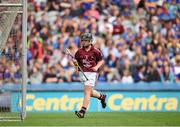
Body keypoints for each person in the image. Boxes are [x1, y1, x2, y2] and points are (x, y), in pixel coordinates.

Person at [73, 32, 107, 118]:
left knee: (87, 91)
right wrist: (75, 64)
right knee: (90, 92)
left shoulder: (96, 51)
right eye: (82, 40)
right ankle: (102, 96)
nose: (84, 42)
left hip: (92, 73)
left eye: (86, 40)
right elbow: (77, 66)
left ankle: (82, 111)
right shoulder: (79, 52)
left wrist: (96, 67)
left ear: (90, 41)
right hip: (83, 73)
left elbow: (101, 60)